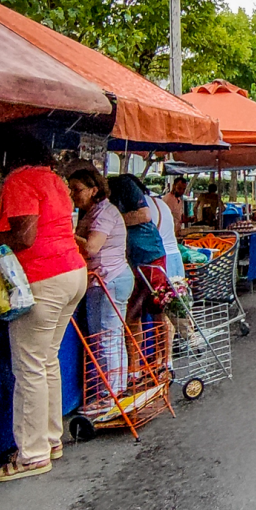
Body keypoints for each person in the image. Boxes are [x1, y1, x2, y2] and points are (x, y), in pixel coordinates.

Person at [0, 130, 87, 483]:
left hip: (43, 278)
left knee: (29, 368)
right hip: (72, 272)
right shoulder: (54, 180)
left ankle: (32, 455)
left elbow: (24, 235)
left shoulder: (20, 180)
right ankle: (51, 439)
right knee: (47, 360)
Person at [68, 163, 133, 393]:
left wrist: (66, 233)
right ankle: (113, 389)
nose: (73, 195)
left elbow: (92, 247)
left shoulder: (105, 213)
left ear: (93, 190)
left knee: (106, 337)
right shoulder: (94, 213)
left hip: (109, 279)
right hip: (103, 280)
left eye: (77, 189)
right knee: (107, 337)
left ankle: (110, 394)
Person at [109, 174, 169, 376]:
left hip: (149, 256)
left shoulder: (123, 185)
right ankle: (135, 366)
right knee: (133, 314)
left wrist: (114, 220)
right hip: (129, 260)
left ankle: (164, 360)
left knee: (156, 309)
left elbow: (144, 215)